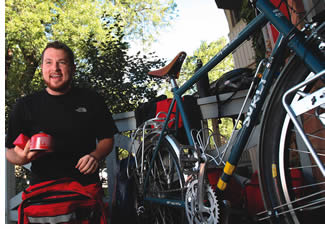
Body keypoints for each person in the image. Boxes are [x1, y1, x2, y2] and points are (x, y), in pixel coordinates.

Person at [5, 41, 118, 223]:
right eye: (48, 62)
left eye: (62, 62)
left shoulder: (92, 100)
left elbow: (107, 139)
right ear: (42, 67)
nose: (54, 68)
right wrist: (23, 158)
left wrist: (95, 156)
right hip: (42, 197)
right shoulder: (25, 106)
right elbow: (10, 150)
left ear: (72, 68)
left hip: (85, 193)